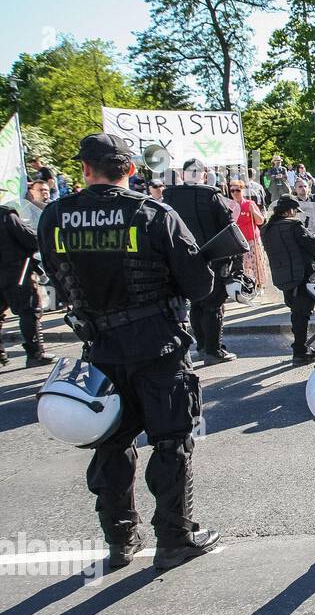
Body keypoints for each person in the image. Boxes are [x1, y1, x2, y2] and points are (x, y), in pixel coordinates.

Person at [37, 134, 221, 570]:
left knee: (111, 442)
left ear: (85, 169)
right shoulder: (153, 214)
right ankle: (174, 537)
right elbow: (199, 286)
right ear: (131, 169)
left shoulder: (56, 216)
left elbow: (58, 279)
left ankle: (119, 538)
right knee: (172, 440)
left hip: (100, 347)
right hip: (158, 344)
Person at [163, 160, 239, 363]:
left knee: (197, 303)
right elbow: (229, 227)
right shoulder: (210, 195)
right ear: (204, 175)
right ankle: (213, 350)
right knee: (213, 305)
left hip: (183, 259)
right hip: (212, 257)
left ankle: (204, 346)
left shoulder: (170, 196)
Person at [262, 196, 315, 364]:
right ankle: (300, 351)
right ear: (290, 211)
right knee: (301, 314)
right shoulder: (295, 226)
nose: (296, 214)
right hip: (301, 276)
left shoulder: (267, 229)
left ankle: (300, 348)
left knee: (296, 313)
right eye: (295, 211)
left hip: (282, 277)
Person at [0, 199, 52, 368]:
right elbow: (29, 239)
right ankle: (35, 353)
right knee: (29, 311)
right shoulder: (5, 215)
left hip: (10, 272)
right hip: (15, 272)